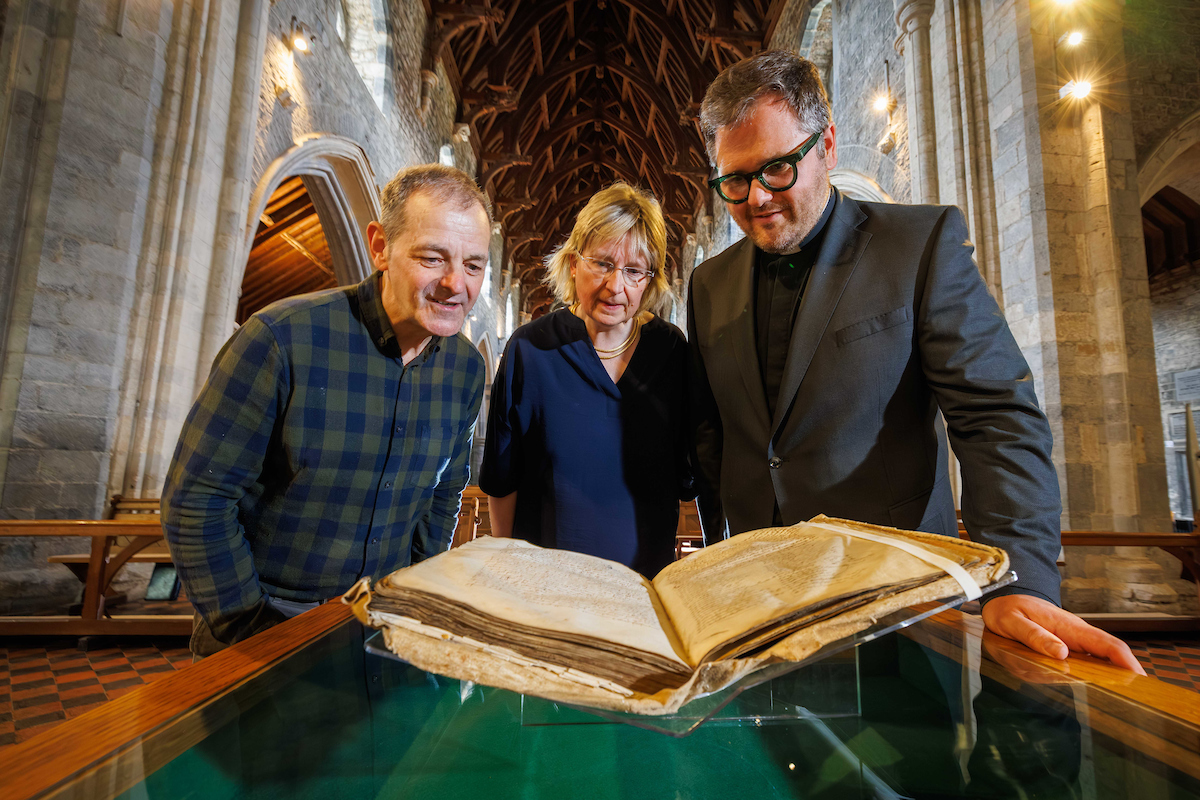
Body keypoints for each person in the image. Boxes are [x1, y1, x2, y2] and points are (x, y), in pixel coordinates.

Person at [688, 50, 1144, 673]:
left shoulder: (918, 247)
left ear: (827, 147)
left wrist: (1018, 582)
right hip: (756, 607)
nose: (756, 198)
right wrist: (720, 556)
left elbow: (997, 418)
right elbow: (717, 434)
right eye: (734, 180)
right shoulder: (708, 284)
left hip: (897, 606)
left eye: (776, 168)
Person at [162, 164, 492, 657]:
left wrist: (415, 593)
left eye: (473, 265)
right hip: (269, 618)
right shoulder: (282, 339)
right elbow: (197, 499)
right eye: (432, 257)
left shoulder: (465, 369)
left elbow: (443, 493)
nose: (454, 283)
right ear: (380, 247)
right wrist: (252, 630)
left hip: (385, 623)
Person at [479, 183, 692, 578]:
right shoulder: (531, 350)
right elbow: (502, 481)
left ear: (651, 279)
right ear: (574, 262)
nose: (616, 287)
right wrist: (505, 571)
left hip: (643, 587)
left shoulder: (672, 352)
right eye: (603, 264)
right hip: (545, 585)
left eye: (634, 271)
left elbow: (685, 478)